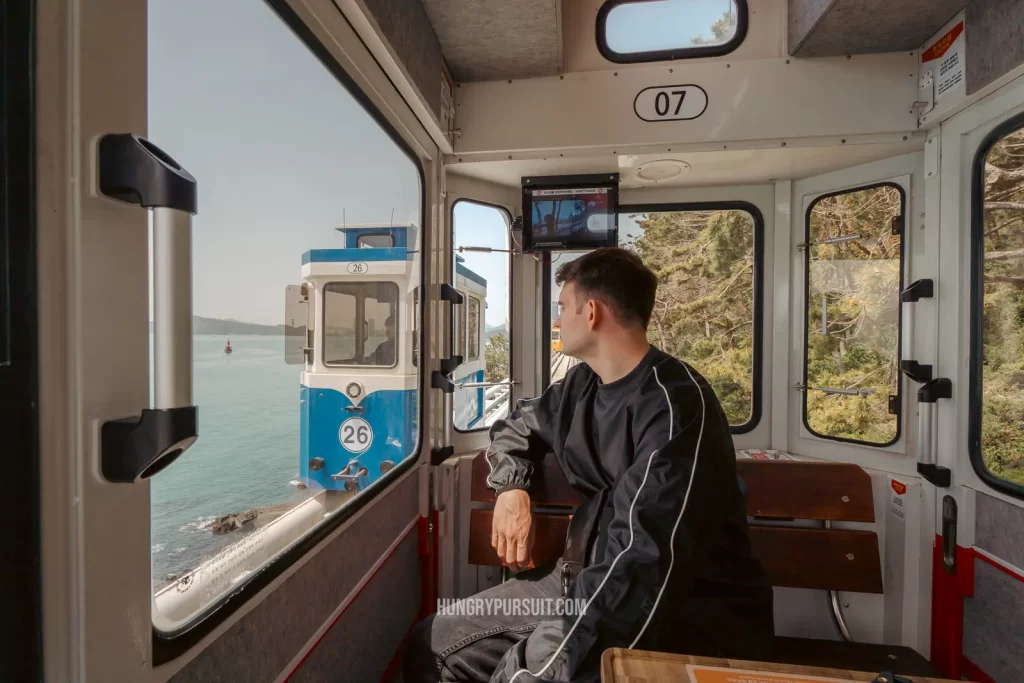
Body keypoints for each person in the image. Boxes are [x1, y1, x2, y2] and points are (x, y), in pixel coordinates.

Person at [403, 248, 774, 683]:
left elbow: (641, 561)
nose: (558, 322)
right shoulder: (581, 387)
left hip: (681, 606)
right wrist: (511, 488)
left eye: (563, 307)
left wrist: (542, 663)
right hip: (577, 581)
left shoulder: (675, 405)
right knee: (432, 643)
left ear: (592, 311)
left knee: (522, 671)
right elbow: (512, 428)